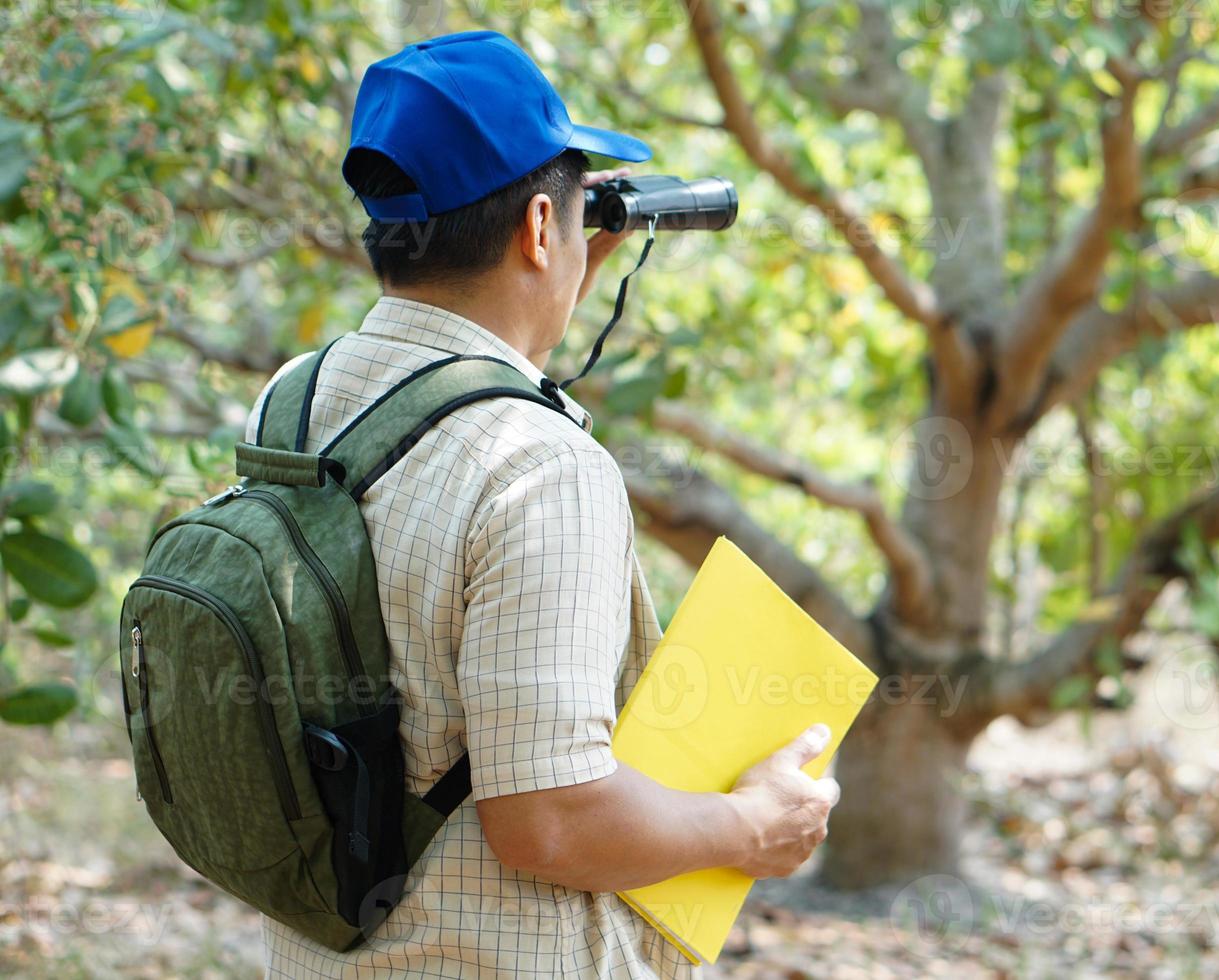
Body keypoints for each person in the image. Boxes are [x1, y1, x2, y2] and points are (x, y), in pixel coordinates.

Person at [245, 31, 841, 978]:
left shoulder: (295, 400)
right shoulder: (543, 470)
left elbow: (431, 439)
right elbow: (550, 820)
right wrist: (748, 827)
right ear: (534, 227)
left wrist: (529, 320)